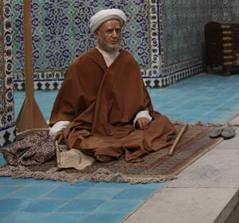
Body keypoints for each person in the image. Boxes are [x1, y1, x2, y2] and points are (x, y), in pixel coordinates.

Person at [49, 8, 176, 162]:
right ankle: (113, 146)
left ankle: (117, 145)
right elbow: (67, 104)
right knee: (85, 139)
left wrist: (141, 114)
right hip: (94, 126)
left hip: (124, 123)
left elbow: (139, 96)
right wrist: (61, 127)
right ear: (97, 34)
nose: (115, 36)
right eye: (109, 31)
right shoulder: (81, 65)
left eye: (117, 30)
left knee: (163, 125)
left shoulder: (127, 61)